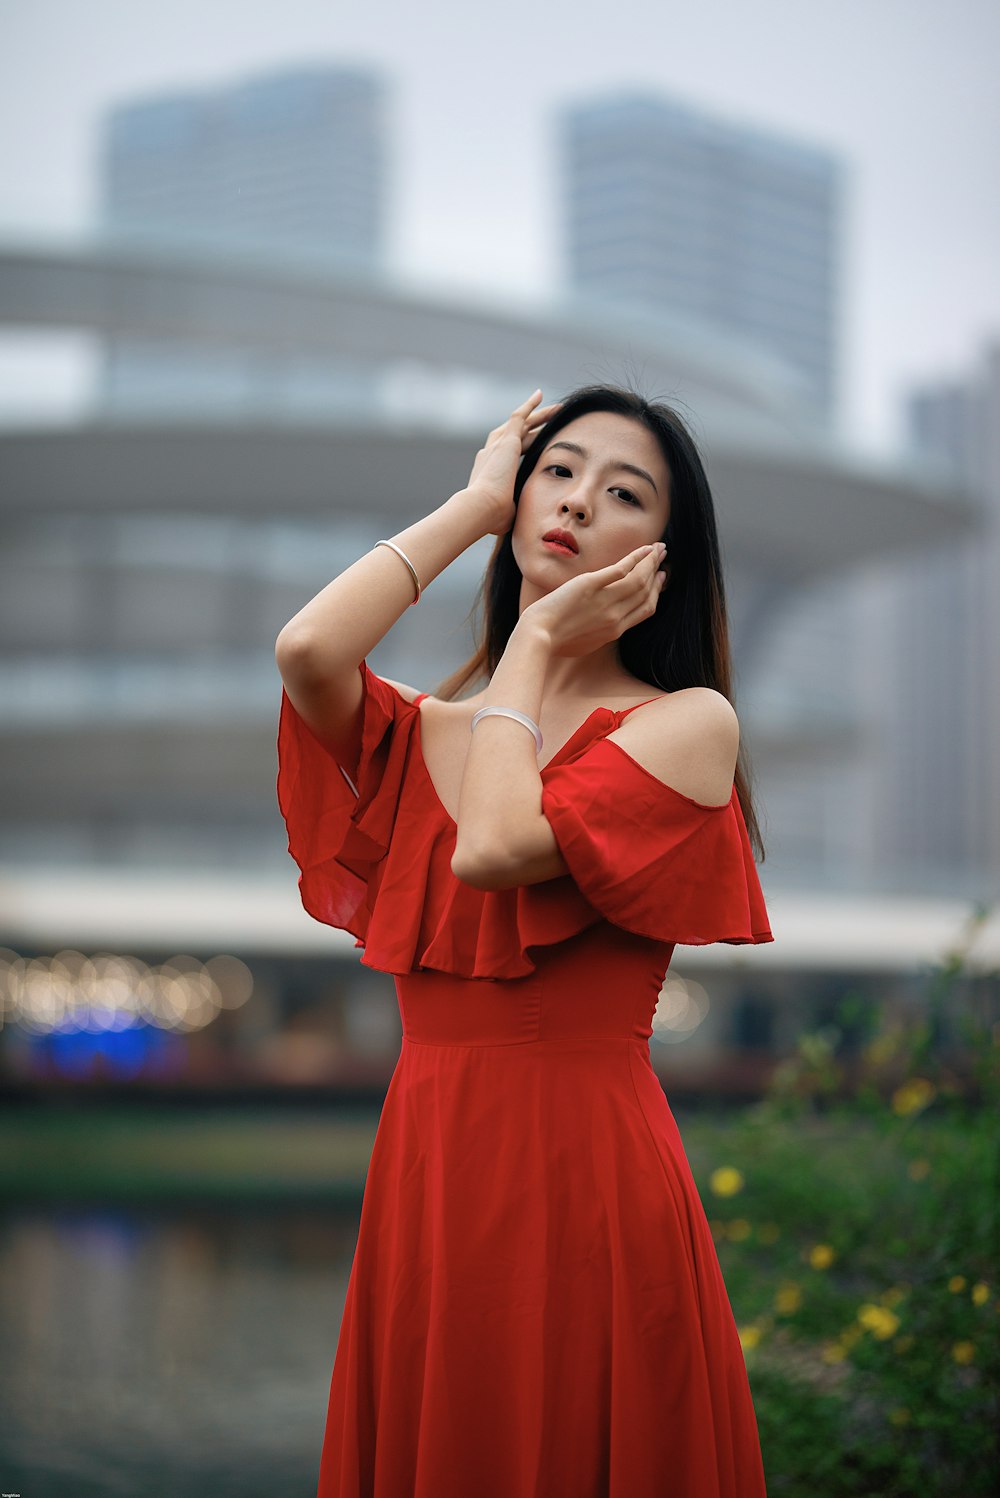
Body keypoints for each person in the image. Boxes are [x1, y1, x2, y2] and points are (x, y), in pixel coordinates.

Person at [276, 384, 774, 1498]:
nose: (578, 501)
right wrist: (469, 505)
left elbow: (496, 845)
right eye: (558, 470)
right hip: (428, 1167)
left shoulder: (683, 723)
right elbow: (309, 646)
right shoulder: (419, 734)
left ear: (660, 553)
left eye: (623, 492)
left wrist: (540, 641)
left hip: (581, 1173)